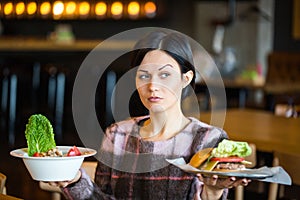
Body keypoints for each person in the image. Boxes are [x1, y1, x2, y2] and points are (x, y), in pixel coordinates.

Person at [49, 30, 250, 199]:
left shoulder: (209, 139)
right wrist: (75, 181)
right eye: (144, 75)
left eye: (165, 75)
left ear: (185, 78)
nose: (153, 86)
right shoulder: (117, 134)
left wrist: (213, 191)